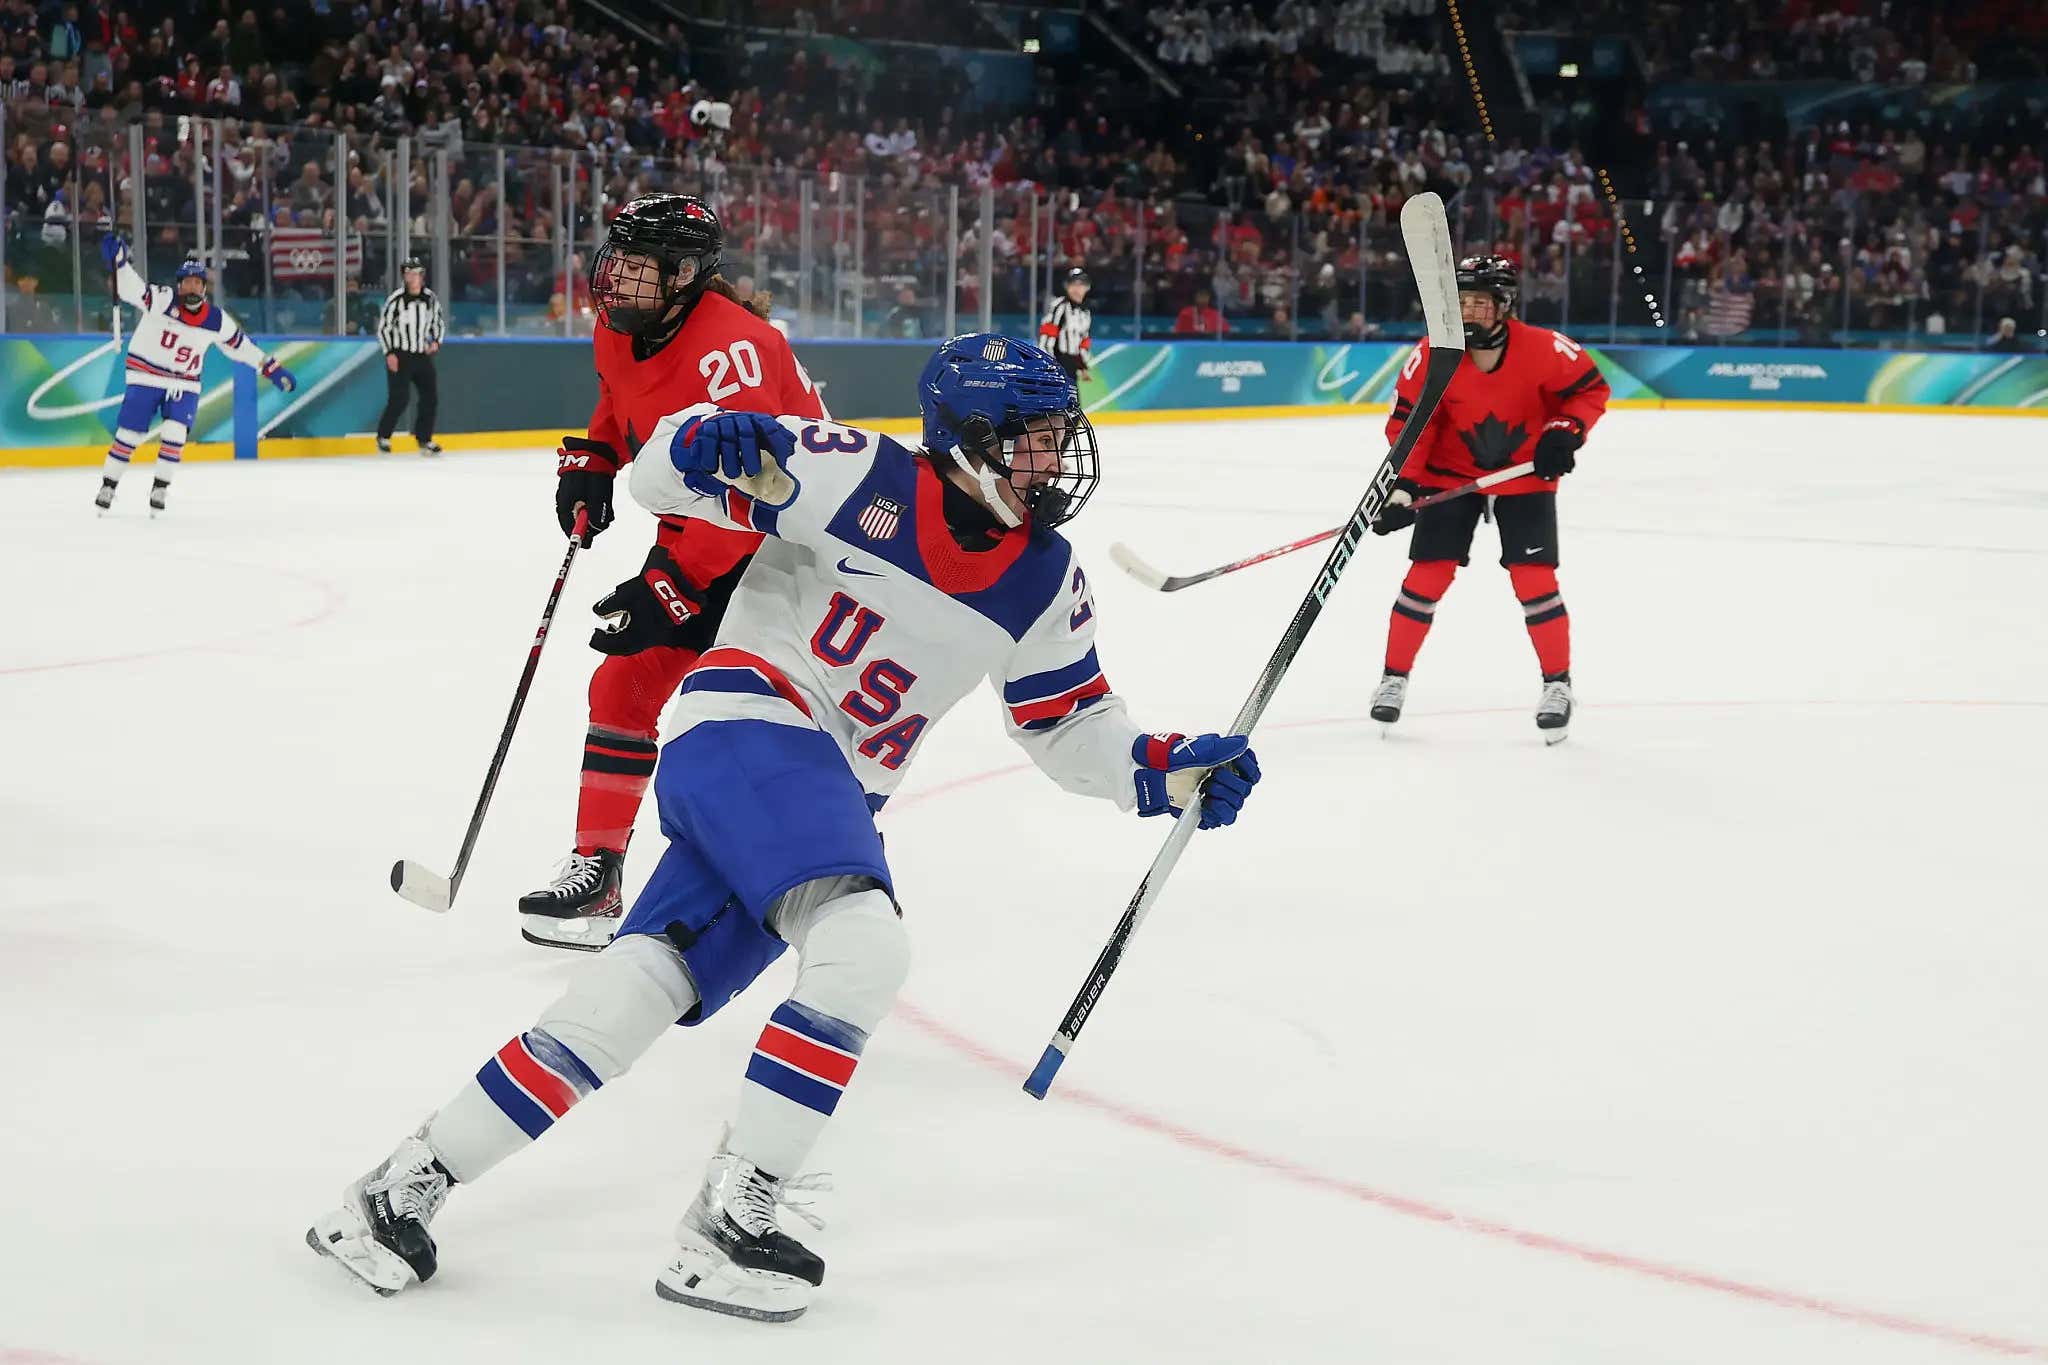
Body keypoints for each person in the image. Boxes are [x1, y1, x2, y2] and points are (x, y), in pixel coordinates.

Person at [305, 333, 1262, 1321]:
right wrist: (700, 440)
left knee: (630, 995)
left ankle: (397, 1190)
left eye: (1060, 438)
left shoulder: (1044, 580)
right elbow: (656, 478)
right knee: (862, 946)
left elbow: (1071, 729)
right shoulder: (849, 469)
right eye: (1034, 440)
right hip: (749, 728)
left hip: (811, 800)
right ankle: (730, 1220)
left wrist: (1163, 769)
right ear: (969, 440)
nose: (1056, 461)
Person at [517, 193, 826, 951]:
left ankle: (819, 874)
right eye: (614, 260)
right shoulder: (622, 324)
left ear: (686, 274)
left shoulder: (736, 353)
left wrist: (677, 585)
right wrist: (595, 457)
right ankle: (598, 871)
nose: (615, 279)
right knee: (623, 680)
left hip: (792, 553)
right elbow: (618, 400)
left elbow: (752, 489)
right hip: (704, 532)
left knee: (754, 719)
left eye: (637, 267)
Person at [1366, 253, 1610, 742]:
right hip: (1450, 475)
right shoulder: (1434, 353)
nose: (1469, 311)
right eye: (1462, 303)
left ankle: (1557, 685)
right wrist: (1403, 485)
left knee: (1534, 581)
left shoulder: (1545, 349)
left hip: (1523, 476)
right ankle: (1393, 678)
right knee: (1425, 576)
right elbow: (1414, 424)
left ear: (1504, 306)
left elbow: (1589, 391)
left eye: (1480, 302)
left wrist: (1564, 431)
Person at [94, 236, 296, 514]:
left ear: (204, 287)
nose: (192, 287)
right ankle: (109, 484)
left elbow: (241, 347)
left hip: (184, 383)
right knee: (129, 434)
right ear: (179, 285)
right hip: (146, 375)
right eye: (187, 282)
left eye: (197, 282)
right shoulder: (162, 300)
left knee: (176, 433)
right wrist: (119, 262)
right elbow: (132, 289)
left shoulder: (216, 319)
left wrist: (270, 367)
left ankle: (160, 487)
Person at [374, 255, 444, 454]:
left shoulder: (430, 298)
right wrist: (389, 353)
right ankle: (383, 435)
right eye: (408, 273)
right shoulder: (395, 300)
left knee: (430, 397)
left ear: (422, 276)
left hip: (421, 355)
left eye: (415, 273)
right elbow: (384, 329)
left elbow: (438, 322)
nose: (412, 277)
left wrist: (436, 341)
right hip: (400, 355)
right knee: (399, 399)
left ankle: (424, 439)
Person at [1038, 266, 1093, 383]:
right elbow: (1046, 336)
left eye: (1080, 285)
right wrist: (1050, 366)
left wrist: (1082, 367)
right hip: (1057, 362)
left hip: (1072, 366)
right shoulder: (1059, 306)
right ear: (1067, 287)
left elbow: (1083, 342)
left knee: (1072, 400)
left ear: (1087, 287)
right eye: (1073, 284)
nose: (1076, 289)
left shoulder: (1085, 312)